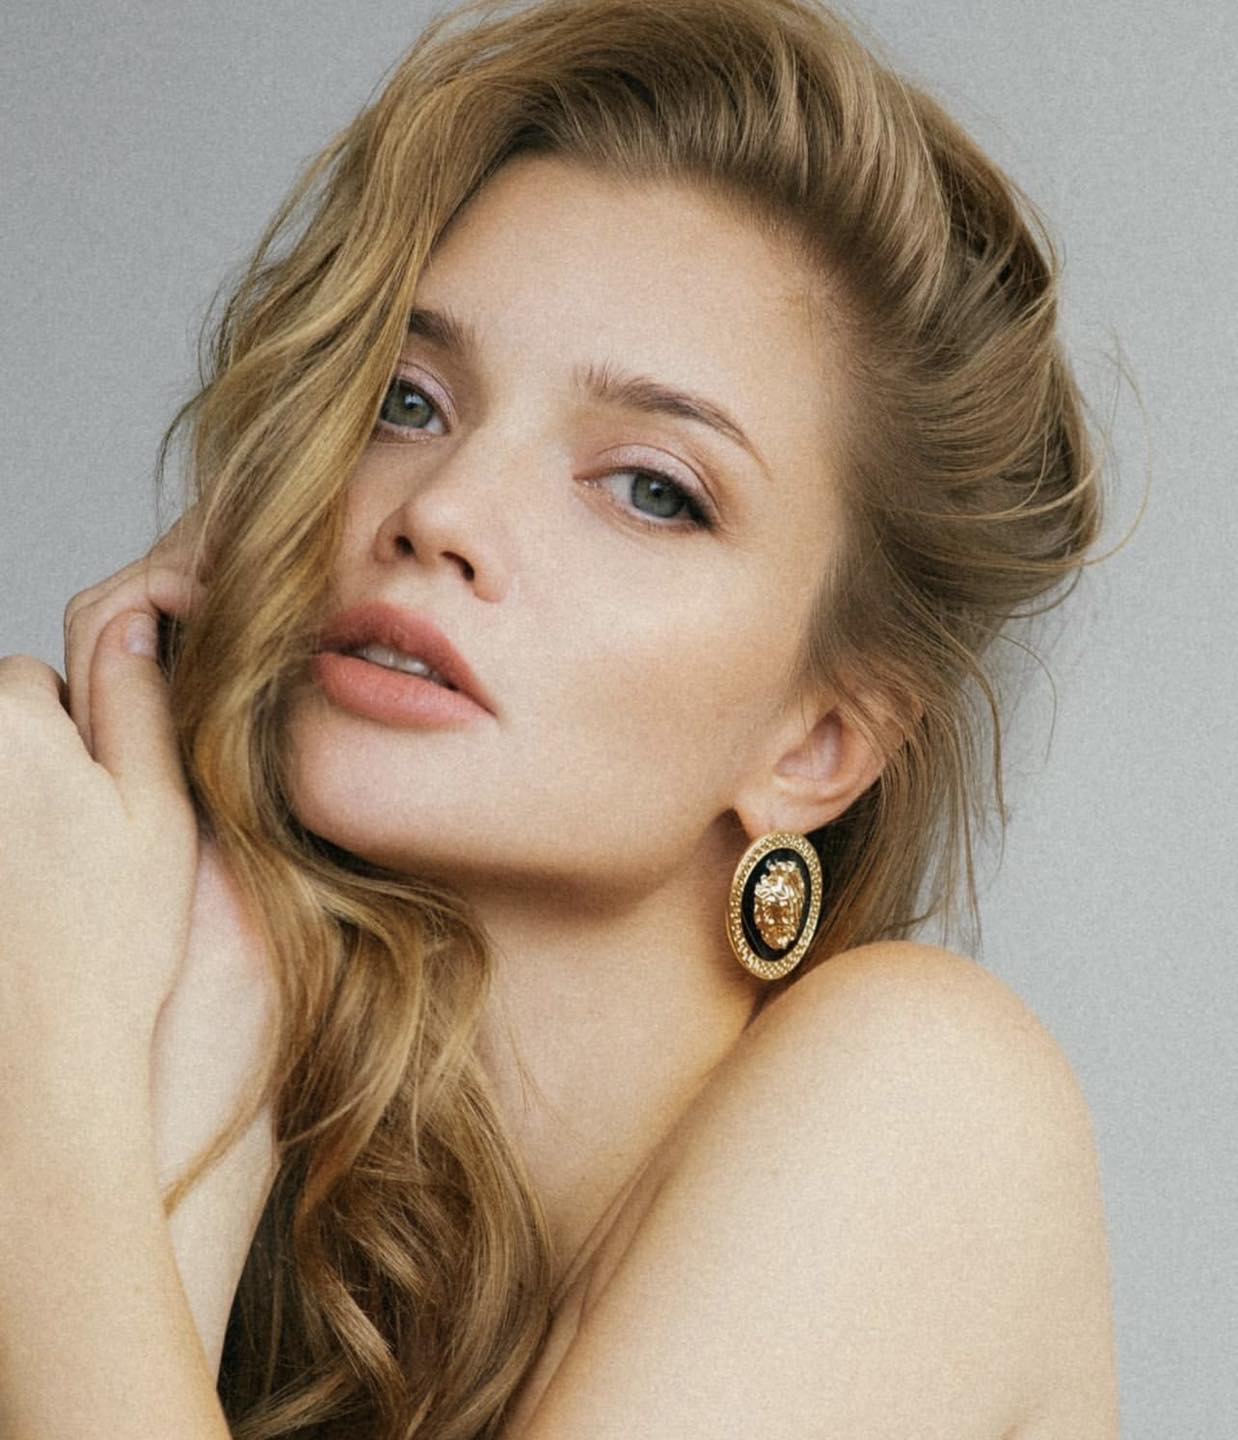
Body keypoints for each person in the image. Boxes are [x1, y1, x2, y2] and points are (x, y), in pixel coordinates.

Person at [0, 0, 1122, 1434]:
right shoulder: (262, 1174)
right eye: (408, 400)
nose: (442, 511)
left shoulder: (934, 1103)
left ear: (818, 746)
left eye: (652, 489)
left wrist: (54, 1079)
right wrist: (201, 1018)